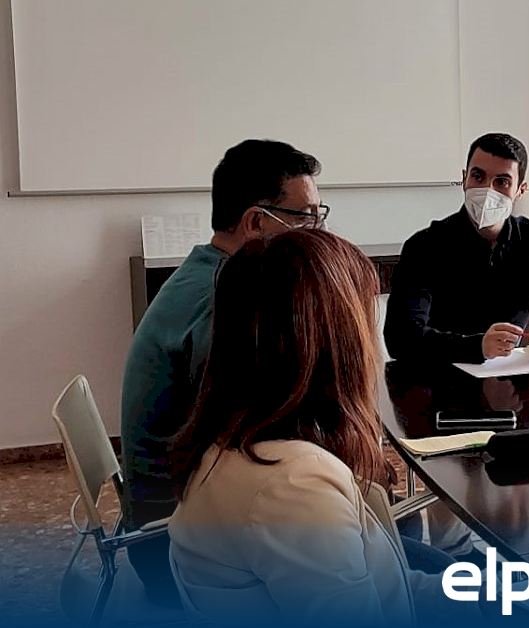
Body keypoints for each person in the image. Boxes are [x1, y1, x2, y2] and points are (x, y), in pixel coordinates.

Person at [169, 230, 466, 625]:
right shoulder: (292, 485)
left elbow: (385, 585)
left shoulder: (234, 439)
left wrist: (486, 597)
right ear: (338, 345)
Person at [119, 139, 326, 604]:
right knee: (384, 525)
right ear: (256, 222)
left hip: (176, 516)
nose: (316, 230)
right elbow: (258, 432)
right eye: (305, 217)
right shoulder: (221, 300)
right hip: (173, 545)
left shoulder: (204, 270)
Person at [384, 132, 529, 363]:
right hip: (440, 375)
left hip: (512, 376)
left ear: (520, 190)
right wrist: (477, 347)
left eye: (502, 182)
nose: (487, 190)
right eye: (478, 176)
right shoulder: (425, 246)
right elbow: (400, 338)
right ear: (464, 179)